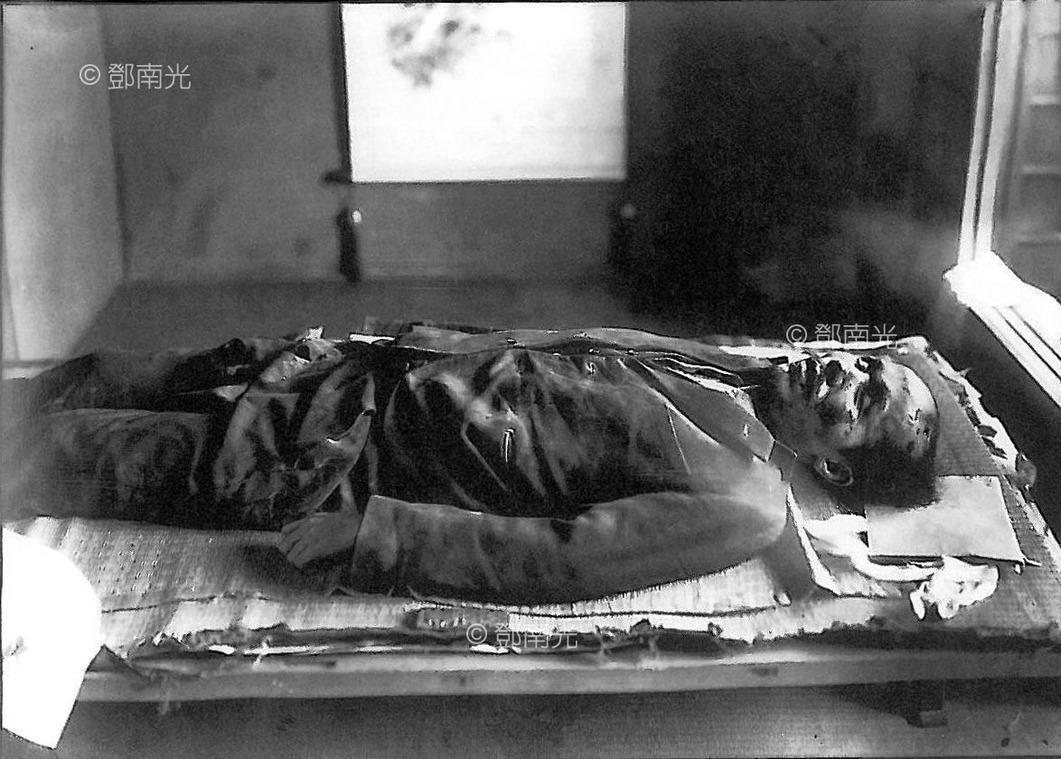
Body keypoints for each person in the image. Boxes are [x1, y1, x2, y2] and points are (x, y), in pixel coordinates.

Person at [1, 324, 939, 604]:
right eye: (866, 365)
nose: (844, 371)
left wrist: (377, 535)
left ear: (837, 469)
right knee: (93, 373)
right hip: (347, 373)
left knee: (59, 449)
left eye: (865, 403)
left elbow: (559, 557)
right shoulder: (730, 367)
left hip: (334, 457)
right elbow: (549, 348)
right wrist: (383, 344)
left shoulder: (745, 497)